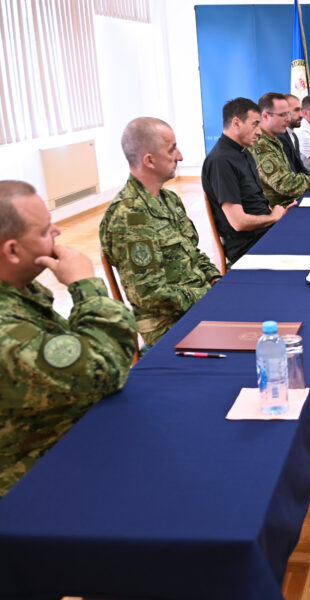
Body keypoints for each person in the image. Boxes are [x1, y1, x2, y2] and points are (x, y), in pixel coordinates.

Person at [0, 180, 138, 496]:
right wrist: (85, 285)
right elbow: (106, 368)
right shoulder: (6, 332)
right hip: (36, 484)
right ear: (12, 250)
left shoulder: (19, 290)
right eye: (44, 231)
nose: (58, 232)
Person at [99, 117, 221, 348]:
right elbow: (149, 293)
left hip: (197, 305)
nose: (180, 156)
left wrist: (216, 280)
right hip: (168, 325)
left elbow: (192, 253)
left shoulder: (169, 200)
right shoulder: (130, 216)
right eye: (172, 149)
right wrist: (206, 294)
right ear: (149, 160)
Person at [202, 97, 286, 263]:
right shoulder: (221, 161)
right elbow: (238, 222)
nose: (260, 132)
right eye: (255, 124)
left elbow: (255, 199)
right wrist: (273, 218)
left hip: (264, 232)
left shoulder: (244, 151)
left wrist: (277, 214)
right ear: (236, 123)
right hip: (248, 246)